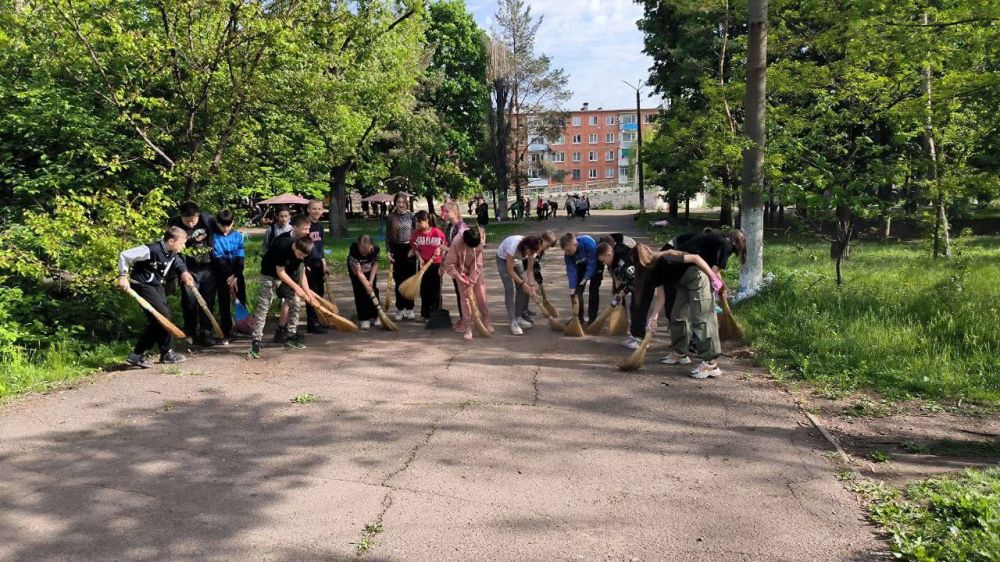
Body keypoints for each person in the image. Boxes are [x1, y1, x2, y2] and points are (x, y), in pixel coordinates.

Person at [638, 244, 726, 379]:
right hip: (685, 283)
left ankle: (710, 363)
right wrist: (653, 318)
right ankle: (680, 353)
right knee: (677, 316)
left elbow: (696, 258)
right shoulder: (652, 272)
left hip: (699, 279)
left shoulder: (667, 258)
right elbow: (661, 297)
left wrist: (713, 277)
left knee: (701, 318)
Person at [118, 227, 194, 367]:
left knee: (159, 319)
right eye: (182, 243)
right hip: (142, 285)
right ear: (171, 241)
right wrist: (122, 276)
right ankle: (151, 354)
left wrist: (184, 272)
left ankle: (152, 354)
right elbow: (124, 255)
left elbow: (175, 260)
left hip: (156, 286)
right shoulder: (150, 250)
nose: (184, 246)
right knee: (162, 317)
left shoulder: (171, 251)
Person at [248, 232, 315, 359]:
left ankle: (291, 336)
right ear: (295, 246)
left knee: (295, 302)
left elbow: (302, 274)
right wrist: (296, 287)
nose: (301, 258)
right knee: (264, 306)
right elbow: (280, 272)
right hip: (270, 275)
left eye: (304, 256)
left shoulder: (304, 253)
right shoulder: (283, 246)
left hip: (287, 275)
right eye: (300, 255)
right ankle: (256, 341)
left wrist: (308, 294)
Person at [167, 201, 219, 346]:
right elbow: (173, 251)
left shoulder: (207, 221)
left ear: (198, 215)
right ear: (181, 217)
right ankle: (190, 332)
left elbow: (220, 235)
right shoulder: (175, 226)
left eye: (193, 220)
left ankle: (206, 331)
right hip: (188, 269)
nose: (191, 224)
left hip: (208, 267)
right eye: (187, 221)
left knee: (207, 300)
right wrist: (182, 271)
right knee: (189, 301)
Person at [445, 227, 492, 340]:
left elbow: (478, 264)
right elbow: (449, 263)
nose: (473, 249)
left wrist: (471, 281)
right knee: (465, 299)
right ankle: (468, 327)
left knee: (481, 295)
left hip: (474, 271)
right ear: (465, 242)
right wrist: (458, 276)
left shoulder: (479, 242)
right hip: (460, 272)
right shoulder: (456, 243)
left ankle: (486, 320)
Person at [597, 234, 639, 348]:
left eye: (604, 261)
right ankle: (633, 334)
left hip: (641, 280)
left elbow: (633, 280)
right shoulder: (611, 256)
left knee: (637, 306)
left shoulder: (623, 256)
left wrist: (623, 291)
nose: (603, 264)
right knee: (629, 303)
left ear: (609, 253)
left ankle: (638, 338)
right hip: (631, 277)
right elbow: (617, 276)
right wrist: (618, 290)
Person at [211, 210, 247, 343]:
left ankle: (242, 328)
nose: (226, 228)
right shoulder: (214, 237)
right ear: (218, 223)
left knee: (240, 299)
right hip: (222, 276)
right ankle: (226, 330)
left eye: (229, 225)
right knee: (224, 303)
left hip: (237, 275)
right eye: (223, 225)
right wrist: (230, 276)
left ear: (233, 223)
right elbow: (218, 258)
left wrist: (236, 275)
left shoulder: (237, 236)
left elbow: (240, 256)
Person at [496, 234, 541, 335]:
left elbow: (529, 271)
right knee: (509, 289)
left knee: (522, 288)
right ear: (526, 247)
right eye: (532, 252)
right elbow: (510, 271)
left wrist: (532, 287)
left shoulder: (532, 251)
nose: (533, 254)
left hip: (517, 259)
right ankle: (513, 322)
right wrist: (522, 283)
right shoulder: (513, 246)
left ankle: (518, 317)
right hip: (503, 259)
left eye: (534, 252)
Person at [410, 210, 447, 322]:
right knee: (424, 290)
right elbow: (415, 249)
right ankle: (425, 314)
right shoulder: (416, 234)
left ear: (427, 221)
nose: (416, 224)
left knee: (435, 290)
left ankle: (435, 315)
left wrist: (442, 265)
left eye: (418, 222)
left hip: (436, 265)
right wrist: (420, 259)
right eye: (415, 222)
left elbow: (444, 249)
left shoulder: (438, 233)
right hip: (423, 265)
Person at [560, 232, 601, 325]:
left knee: (593, 290)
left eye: (569, 251)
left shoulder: (589, 244)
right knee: (576, 293)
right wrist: (572, 288)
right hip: (581, 265)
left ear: (575, 244)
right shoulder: (568, 254)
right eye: (565, 251)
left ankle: (592, 319)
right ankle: (578, 318)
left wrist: (585, 278)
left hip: (595, 262)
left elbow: (592, 264)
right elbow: (571, 271)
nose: (567, 253)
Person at [387, 192, 416, 321]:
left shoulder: (411, 216)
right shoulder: (391, 217)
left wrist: (415, 249)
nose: (401, 204)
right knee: (398, 279)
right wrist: (388, 251)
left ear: (406, 203)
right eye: (398, 202)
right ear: (395, 203)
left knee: (410, 280)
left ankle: (409, 308)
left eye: (403, 202)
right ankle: (400, 308)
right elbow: (388, 236)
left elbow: (416, 233)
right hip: (396, 249)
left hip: (409, 250)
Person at [304, 200, 331, 335]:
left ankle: (318, 320)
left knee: (319, 293)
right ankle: (312, 324)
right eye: (314, 209)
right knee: (311, 294)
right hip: (307, 265)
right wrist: (304, 265)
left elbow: (321, 247)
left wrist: (324, 264)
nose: (317, 211)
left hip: (318, 264)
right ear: (308, 209)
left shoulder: (320, 227)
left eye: (319, 209)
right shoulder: (305, 226)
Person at [440, 201, 468, 319]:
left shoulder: (462, 228)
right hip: (455, 266)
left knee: (465, 295)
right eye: (443, 211)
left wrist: (444, 248)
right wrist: (442, 264)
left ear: (455, 212)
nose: (444, 214)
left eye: (446, 211)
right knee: (459, 293)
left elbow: (461, 249)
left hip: (463, 266)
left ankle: (466, 320)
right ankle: (463, 318)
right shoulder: (450, 227)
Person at [348, 234, 382, 330]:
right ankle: (363, 318)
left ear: (371, 246)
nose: (364, 252)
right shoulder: (354, 249)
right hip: (356, 270)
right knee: (360, 291)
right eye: (362, 249)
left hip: (370, 270)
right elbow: (358, 272)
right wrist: (366, 285)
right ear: (358, 244)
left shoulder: (376, 249)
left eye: (366, 250)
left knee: (373, 289)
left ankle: (376, 316)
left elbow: (375, 265)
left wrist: (370, 282)